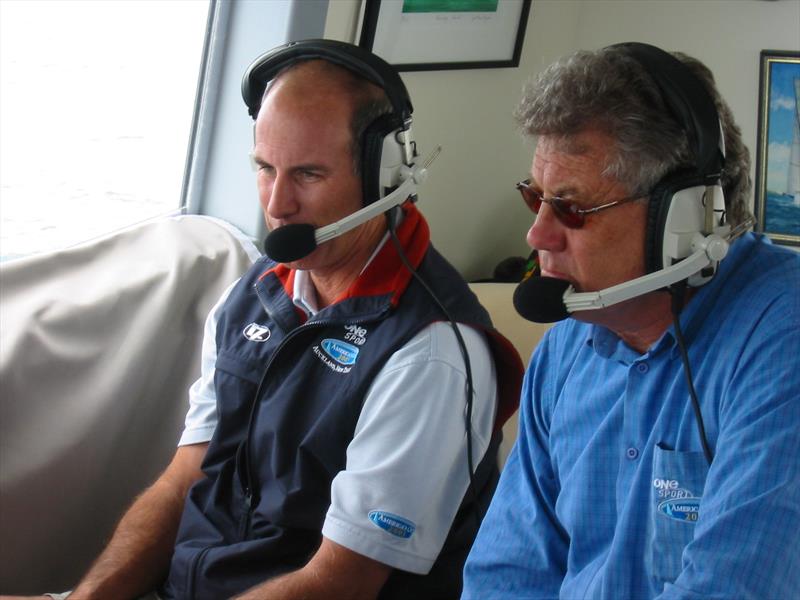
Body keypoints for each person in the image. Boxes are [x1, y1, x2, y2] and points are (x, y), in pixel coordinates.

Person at [4, 41, 522, 600]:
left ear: (383, 176)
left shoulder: (431, 354)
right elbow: (187, 478)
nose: (277, 204)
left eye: (308, 174)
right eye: (264, 168)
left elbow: (339, 583)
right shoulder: (255, 294)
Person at [462, 42, 800, 599]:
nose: (538, 236)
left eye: (570, 208)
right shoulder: (566, 349)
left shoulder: (780, 342)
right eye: (534, 199)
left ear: (685, 219)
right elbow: (507, 573)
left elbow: (732, 588)